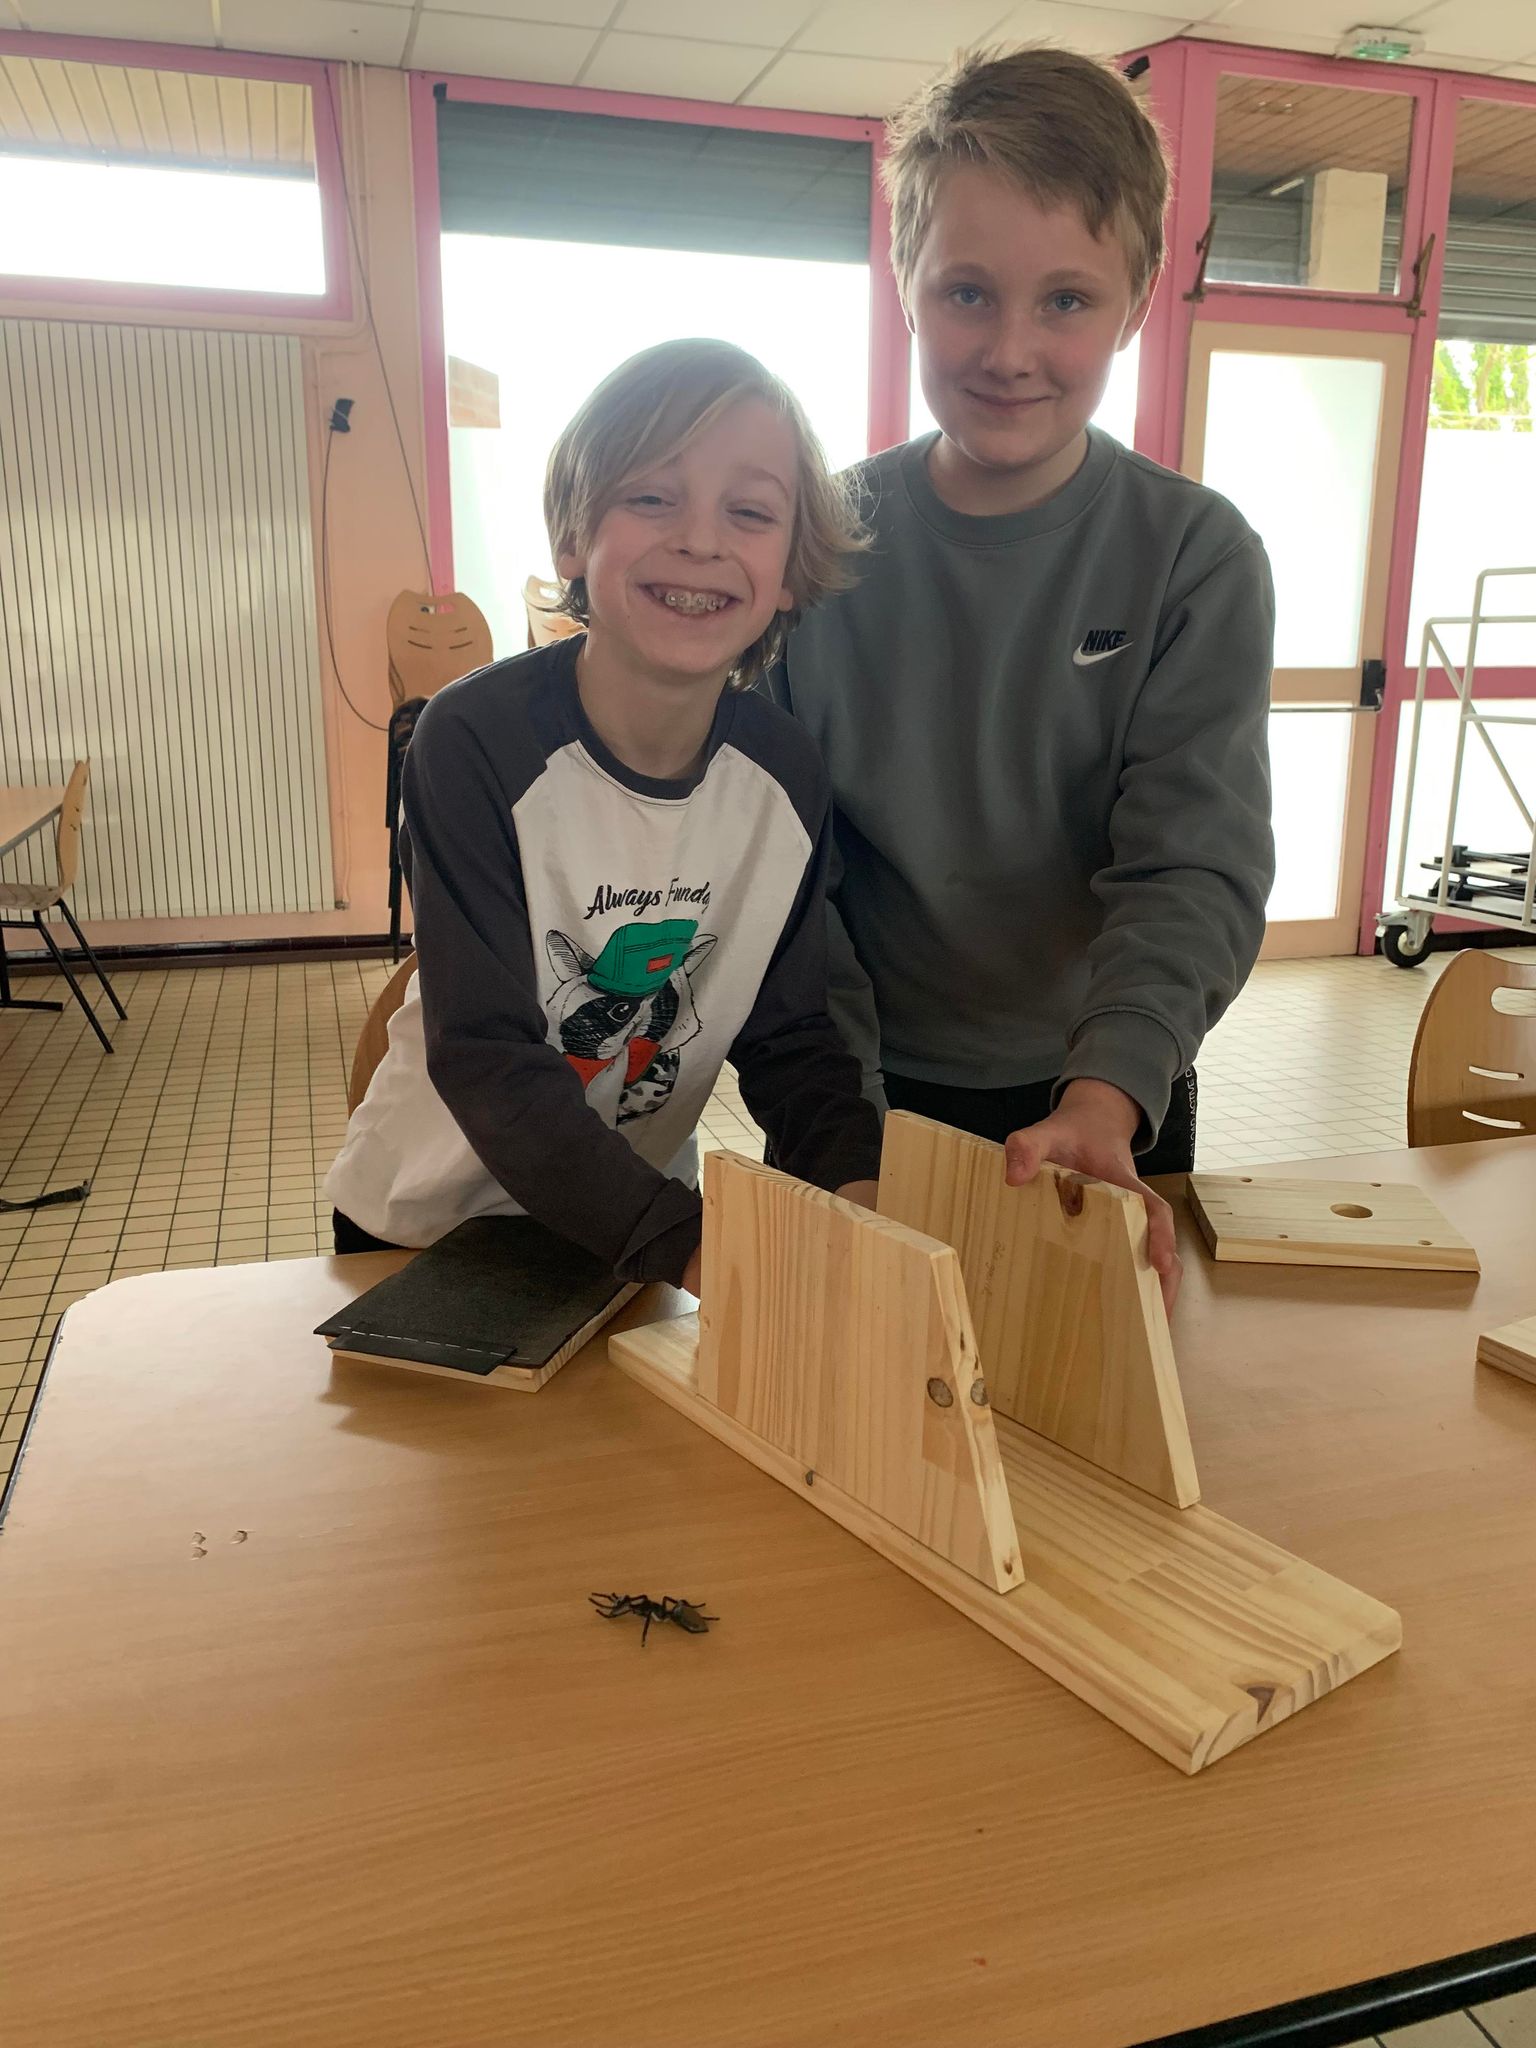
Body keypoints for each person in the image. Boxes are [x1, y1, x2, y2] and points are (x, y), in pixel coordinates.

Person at [773, 45, 1277, 1310]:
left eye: (1065, 300)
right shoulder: (815, 551)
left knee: (1094, 1403)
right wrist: (842, 1124)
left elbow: (1193, 862)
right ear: (904, 281)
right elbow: (788, 882)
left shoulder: (1195, 556)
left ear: (1136, 302)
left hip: (1103, 1088)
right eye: (967, 293)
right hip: (862, 1091)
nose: (1010, 349)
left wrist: (1109, 1090)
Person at [327, 339, 883, 1293]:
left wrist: (856, 1195)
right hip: (428, 1226)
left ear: (791, 570)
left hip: (627, 1224)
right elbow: (487, 1055)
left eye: (750, 511)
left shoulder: (786, 774)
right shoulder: (473, 741)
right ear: (573, 538)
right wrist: (689, 1242)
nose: (700, 540)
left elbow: (792, 1039)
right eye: (652, 496)